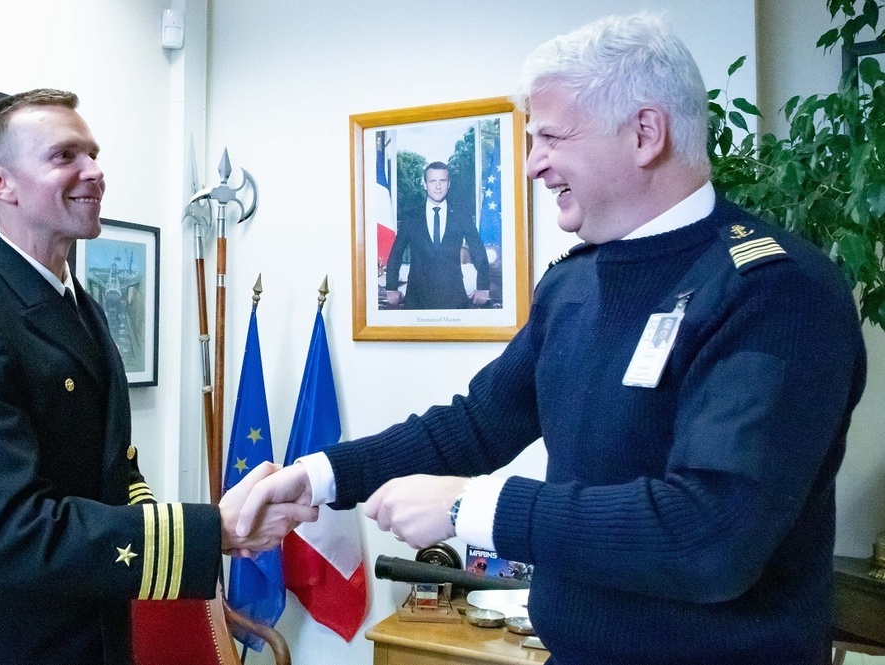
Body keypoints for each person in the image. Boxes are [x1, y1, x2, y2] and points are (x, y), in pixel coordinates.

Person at [238, 14, 867, 665]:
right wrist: (319, 475)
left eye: (551, 138)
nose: (533, 164)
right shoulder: (574, 283)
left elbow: (709, 534)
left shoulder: (776, 293)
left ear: (645, 133)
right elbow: (478, 422)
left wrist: (472, 508)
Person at [0, 89, 315, 665]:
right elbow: (17, 531)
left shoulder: (80, 306)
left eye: (93, 154)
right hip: (18, 648)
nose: (94, 171)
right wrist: (206, 533)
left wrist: (210, 527)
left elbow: (115, 467)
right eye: (65, 156)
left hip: (103, 638)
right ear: (1, 185)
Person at [384, 161, 490, 309]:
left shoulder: (461, 215)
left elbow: (478, 250)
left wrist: (483, 286)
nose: (438, 186)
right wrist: (391, 288)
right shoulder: (411, 216)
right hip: (417, 298)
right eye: (433, 181)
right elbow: (396, 253)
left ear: (449, 184)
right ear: (425, 184)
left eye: (443, 181)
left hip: (454, 298)